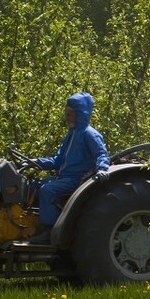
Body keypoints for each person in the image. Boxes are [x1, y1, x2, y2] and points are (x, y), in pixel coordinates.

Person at [29, 92, 111, 229]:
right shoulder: (72, 134)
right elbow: (57, 161)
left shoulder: (90, 134)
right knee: (32, 186)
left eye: (69, 113)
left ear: (80, 113)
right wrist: (34, 162)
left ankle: (50, 229)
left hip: (77, 179)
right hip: (64, 177)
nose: (66, 116)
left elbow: (101, 154)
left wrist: (102, 169)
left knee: (47, 190)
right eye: (66, 113)